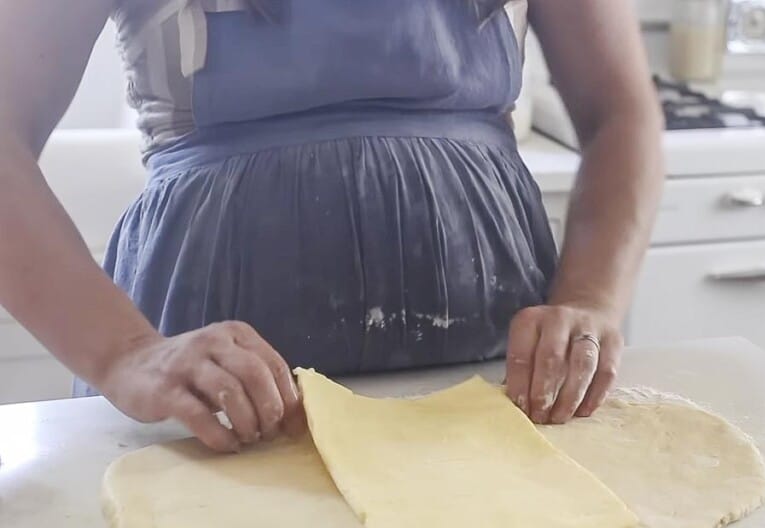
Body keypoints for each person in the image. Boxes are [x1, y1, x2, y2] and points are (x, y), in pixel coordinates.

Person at [0, 0, 662, 452]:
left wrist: (588, 301)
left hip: (495, 368)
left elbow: (621, 116)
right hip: (209, 393)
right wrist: (125, 354)